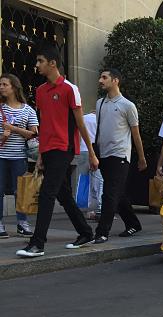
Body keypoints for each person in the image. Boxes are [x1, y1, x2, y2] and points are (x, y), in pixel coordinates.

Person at [16, 43, 98, 258]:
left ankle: (37, 243)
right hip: (48, 148)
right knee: (62, 194)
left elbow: (80, 124)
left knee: (47, 194)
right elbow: (44, 124)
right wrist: (41, 154)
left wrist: (91, 152)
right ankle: (86, 232)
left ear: (53, 63)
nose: (37, 65)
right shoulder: (41, 91)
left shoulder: (70, 88)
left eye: (40, 61)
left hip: (64, 148)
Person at [92, 68, 147, 243]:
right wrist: (94, 154)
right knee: (117, 192)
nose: (100, 80)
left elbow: (136, 134)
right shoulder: (100, 103)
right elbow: (99, 131)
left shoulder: (128, 106)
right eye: (100, 77)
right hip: (104, 154)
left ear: (115, 81)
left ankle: (102, 232)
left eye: (104, 77)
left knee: (108, 194)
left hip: (120, 155)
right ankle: (133, 223)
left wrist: (141, 157)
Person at [0, 73, 39, 239]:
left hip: (19, 157)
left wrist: (14, 129)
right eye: (0, 84)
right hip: (1, 156)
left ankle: (22, 223)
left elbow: (34, 134)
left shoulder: (28, 109)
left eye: (4, 84)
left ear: (14, 87)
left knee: (20, 191)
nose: (1, 87)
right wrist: (3, 136)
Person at [78, 110, 103, 221]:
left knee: (84, 180)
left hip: (82, 150)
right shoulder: (101, 120)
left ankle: (88, 209)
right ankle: (98, 208)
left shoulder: (84, 118)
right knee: (97, 181)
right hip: (95, 152)